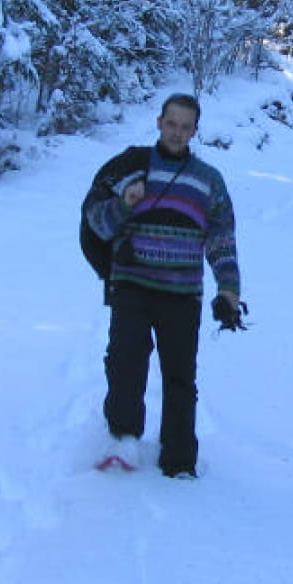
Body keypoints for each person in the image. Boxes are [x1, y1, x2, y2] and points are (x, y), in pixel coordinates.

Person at [84, 93, 242, 477]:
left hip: (182, 293)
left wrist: (229, 289)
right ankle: (122, 440)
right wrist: (124, 203)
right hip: (131, 285)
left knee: (180, 375)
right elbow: (99, 225)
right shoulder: (130, 169)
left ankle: (179, 457)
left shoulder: (209, 181)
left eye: (186, 126)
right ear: (159, 122)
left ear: (195, 130)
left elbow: (222, 237)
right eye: (171, 123)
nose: (177, 132)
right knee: (124, 364)